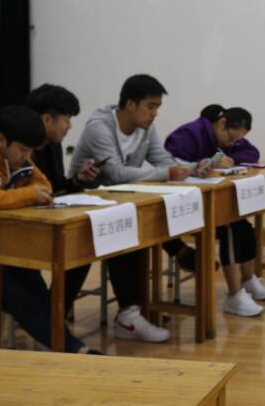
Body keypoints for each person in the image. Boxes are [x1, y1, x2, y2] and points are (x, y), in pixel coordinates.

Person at [0, 106, 97, 354]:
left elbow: (43, 184)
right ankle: (73, 349)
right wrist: (27, 195)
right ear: (1, 140)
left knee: (38, 290)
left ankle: (56, 342)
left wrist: (30, 191)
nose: (27, 156)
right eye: (23, 149)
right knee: (19, 296)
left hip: (2, 248)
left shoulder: (15, 157)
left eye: (30, 150)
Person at [69, 74, 195, 342]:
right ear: (130, 104)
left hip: (120, 202)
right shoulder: (99, 127)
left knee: (143, 223)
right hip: (82, 203)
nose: (155, 113)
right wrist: (169, 173)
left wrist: (193, 168)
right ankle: (131, 312)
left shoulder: (146, 127)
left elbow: (162, 159)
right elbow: (115, 173)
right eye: (150, 106)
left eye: (157, 107)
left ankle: (134, 310)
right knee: (130, 231)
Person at [165, 104, 265, 316]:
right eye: (231, 138)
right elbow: (170, 162)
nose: (232, 143)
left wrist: (233, 160)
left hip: (209, 199)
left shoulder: (226, 135)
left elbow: (252, 152)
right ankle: (234, 295)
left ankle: (248, 280)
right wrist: (199, 165)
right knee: (230, 227)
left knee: (244, 227)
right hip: (184, 204)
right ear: (222, 124)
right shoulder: (188, 134)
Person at [25, 84, 100, 318]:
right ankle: (50, 316)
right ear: (47, 119)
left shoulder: (54, 146)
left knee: (83, 247)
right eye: (66, 120)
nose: (69, 126)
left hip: (50, 221)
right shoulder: (22, 148)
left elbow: (57, 188)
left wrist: (78, 180)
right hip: (24, 228)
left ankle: (55, 313)